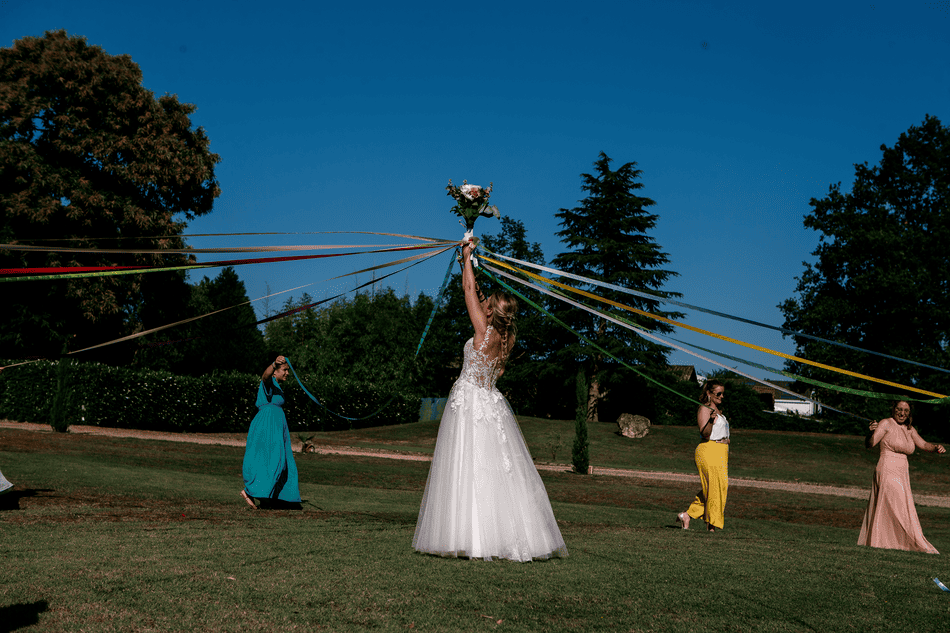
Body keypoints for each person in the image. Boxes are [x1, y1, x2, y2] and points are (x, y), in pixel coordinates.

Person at [412, 240, 568, 561]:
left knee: (468, 466)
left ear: (491, 313)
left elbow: (469, 293)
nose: (484, 305)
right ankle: (503, 536)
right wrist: (464, 262)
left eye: (489, 304)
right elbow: (479, 294)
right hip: (490, 403)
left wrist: (468, 257)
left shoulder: (483, 333)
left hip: (470, 401)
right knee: (492, 469)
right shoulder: (506, 338)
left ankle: (469, 535)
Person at [857, 399, 944, 553]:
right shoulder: (886, 423)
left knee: (903, 507)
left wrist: (936, 447)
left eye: (905, 410)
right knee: (894, 505)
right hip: (887, 468)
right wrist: (870, 432)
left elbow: (923, 444)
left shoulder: (910, 429)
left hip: (902, 472)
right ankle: (885, 541)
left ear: (909, 413)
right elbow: (870, 444)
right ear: (894, 409)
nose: (902, 413)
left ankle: (897, 543)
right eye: (899, 409)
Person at [240, 355, 301, 509]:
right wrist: (274, 364)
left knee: (279, 462)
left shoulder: (277, 387)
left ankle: (268, 497)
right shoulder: (269, 382)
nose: (287, 373)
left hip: (276, 426)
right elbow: (265, 376)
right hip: (267, 426)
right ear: (275, 372)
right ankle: (251, 492)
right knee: (271, 461)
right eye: (284, 370)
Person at [677, 380, 729, 532]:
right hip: (709, 450)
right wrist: (712, 421)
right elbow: (705, 433)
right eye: (718, 393)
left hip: (721, 452)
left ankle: (687, 515)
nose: (721, 396)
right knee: (714, 488)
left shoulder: (719, 410)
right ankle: (711, 526)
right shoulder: (705, 409)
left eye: (722, 393)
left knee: (719, 488)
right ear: (709, 394)